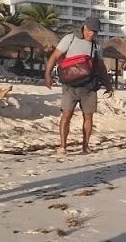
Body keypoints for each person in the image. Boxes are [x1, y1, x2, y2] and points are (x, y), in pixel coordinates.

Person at [44, 16, 113, 155]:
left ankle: (85, 147)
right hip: (70, 85)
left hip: (89, 86)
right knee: (66, 114)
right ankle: (63, 146)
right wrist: (47, 74)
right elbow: (55, 56)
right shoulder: (70, 38)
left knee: (88, 117)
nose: (92, 34)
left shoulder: (96, 45)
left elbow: (101, 67)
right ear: (84, 27)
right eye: (90, 31)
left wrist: (108, 85)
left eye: (95, 32)